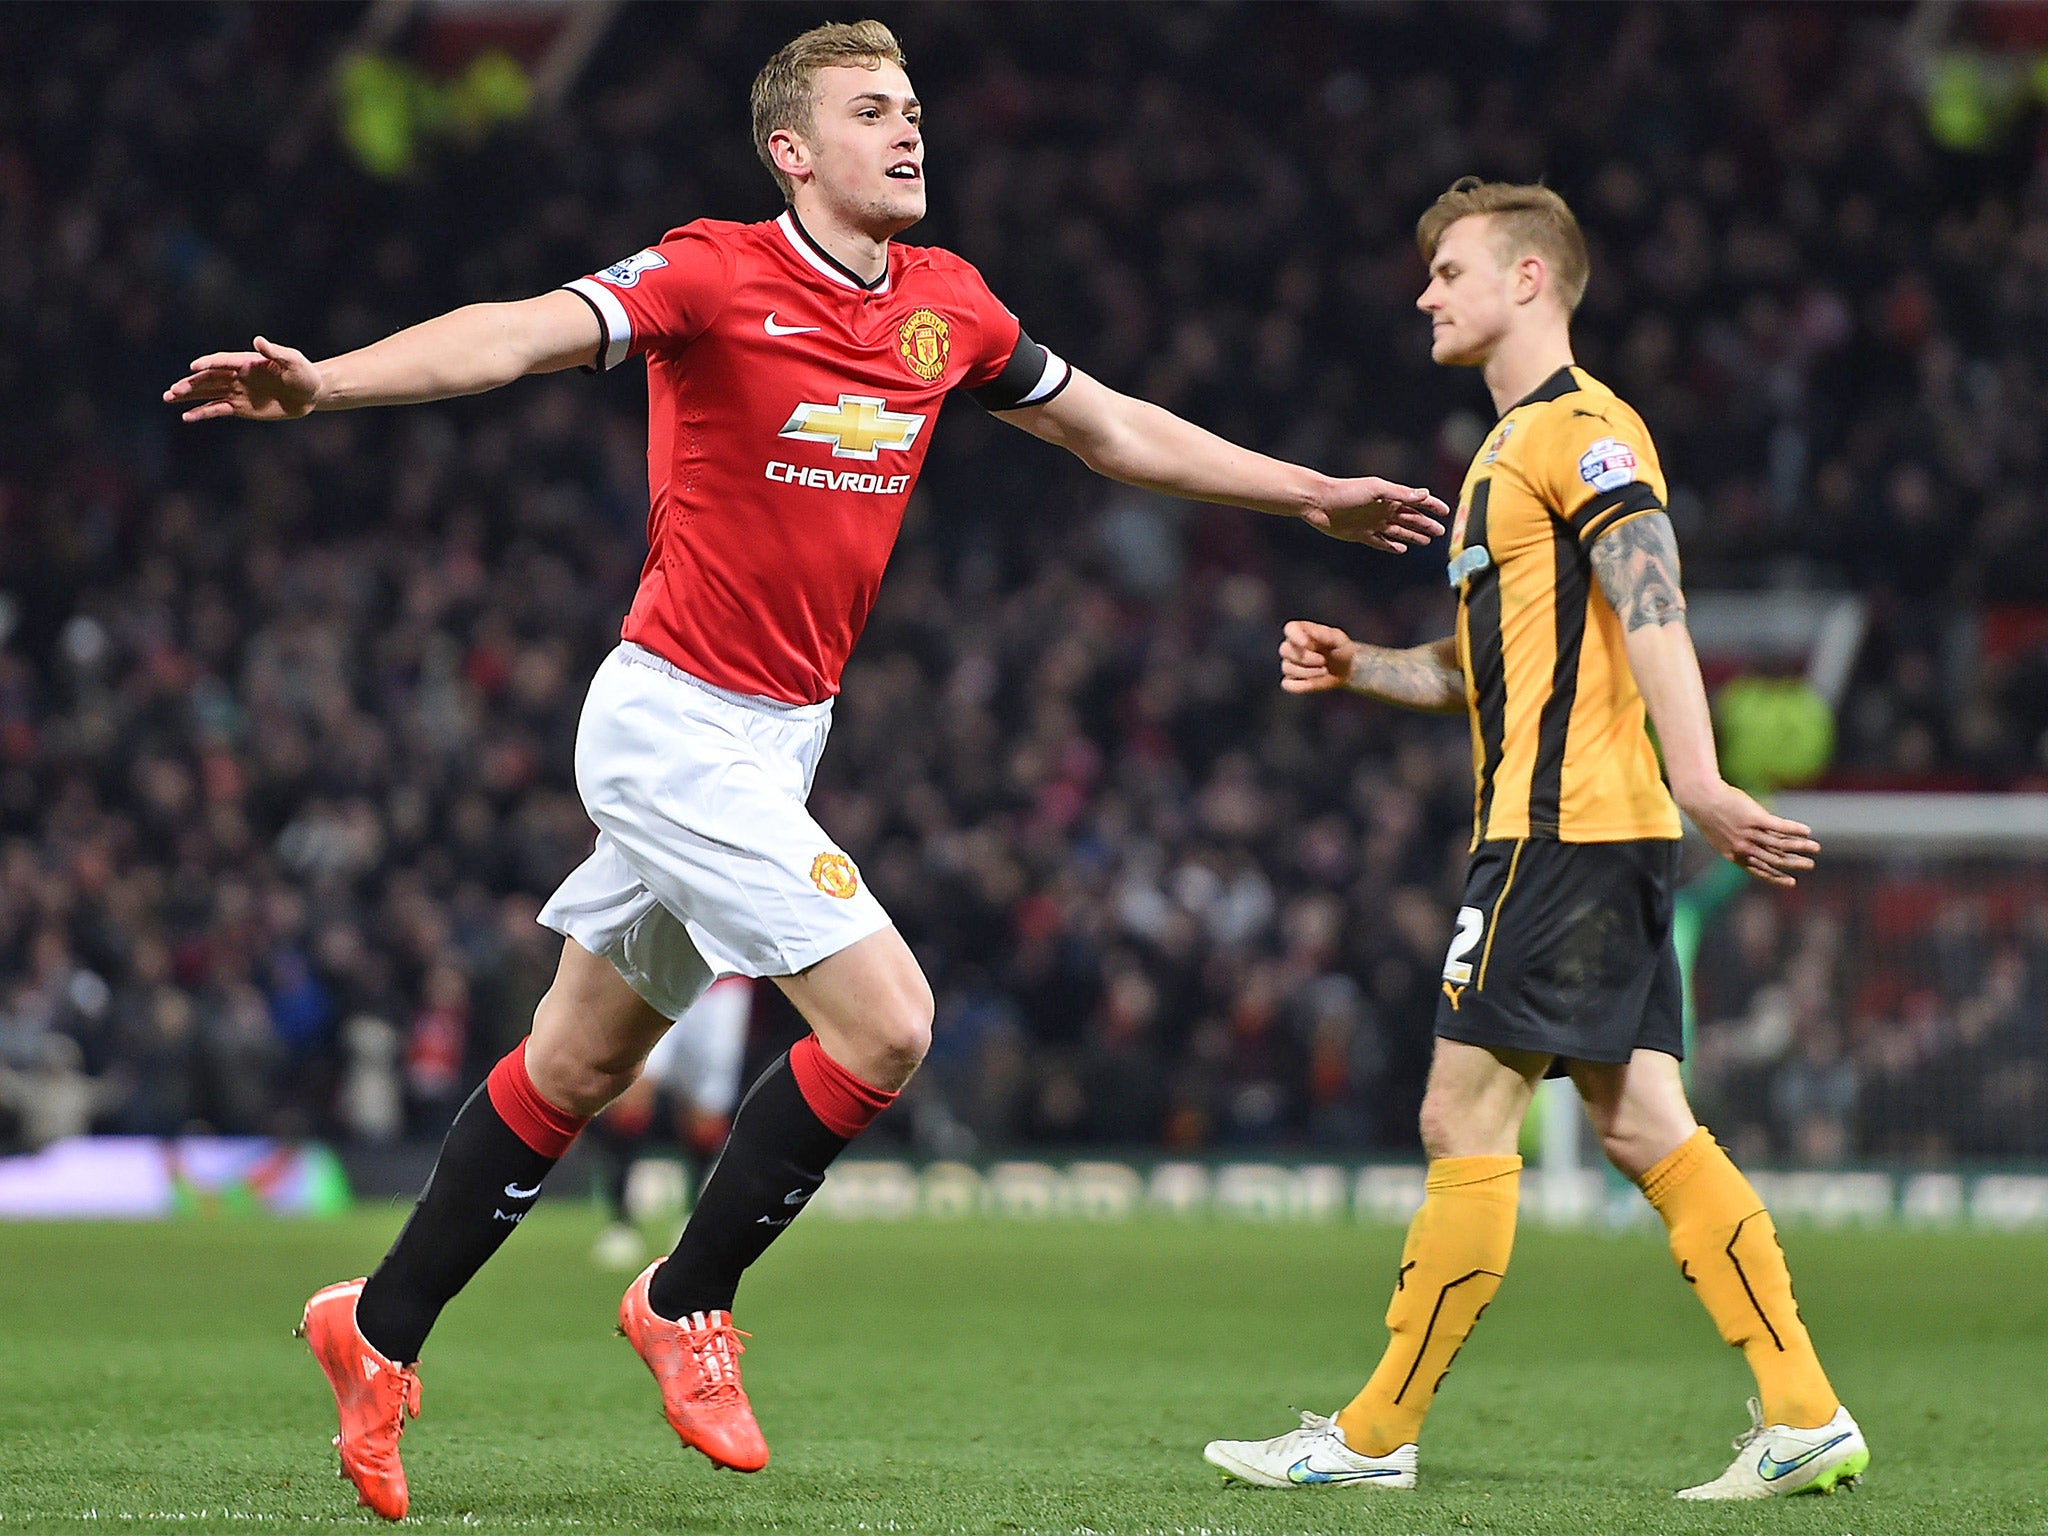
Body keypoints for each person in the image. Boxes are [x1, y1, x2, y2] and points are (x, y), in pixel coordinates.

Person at [164, 20, 1446, 1521]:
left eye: (912, 107)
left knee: (575, 1067)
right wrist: (329, 386)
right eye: (871, 112)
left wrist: (1308, 497)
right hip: (668, 723)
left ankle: (371, 1332)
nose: (909, 130)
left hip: (780, 738)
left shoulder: (947, 307)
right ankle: (684, 1297)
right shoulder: (710, 272)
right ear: (794, 150)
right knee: (890, 1026)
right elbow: (511, 332)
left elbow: (1109, 429)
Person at [1201, 179, 1868, 1501]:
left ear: (1528, 281)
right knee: (1644, 1123)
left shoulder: (1585, 431)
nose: (1425, 293)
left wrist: (1704, 779)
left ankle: (1374, 1438)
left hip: (1565, 831)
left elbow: (1653, 597)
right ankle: (1803, 1413)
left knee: (1461, 1113)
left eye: (1448, 271)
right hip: (1580, 833)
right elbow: (1482, 670)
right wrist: (1361, 668)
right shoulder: (1501, 461)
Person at [586, 976, 755, 1271]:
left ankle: (690, 1218)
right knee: (633, 1096)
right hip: (663, 972)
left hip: (723, 986)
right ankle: (621, 1223)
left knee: (706, 1115)